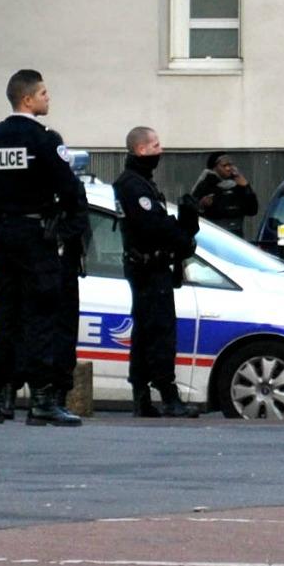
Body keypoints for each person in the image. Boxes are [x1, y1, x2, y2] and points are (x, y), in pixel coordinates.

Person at [0, 69, 87, 426]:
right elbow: (69, 189)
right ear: (27, 99)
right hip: (37, 237)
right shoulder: (44, 139)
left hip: (3, 236)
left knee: (5, 317)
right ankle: (41, 401)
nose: (47, 98)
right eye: (43, 93)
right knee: (42, 316)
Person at [114, 126, 201, 418]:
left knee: (146, 333)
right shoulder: (134, 186)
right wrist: (183, 237)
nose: (160, 150)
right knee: (160, 333)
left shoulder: (141, 182)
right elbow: (153, 226)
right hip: (148, 268)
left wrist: (185, 225)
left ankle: (143, 396)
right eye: (155, 145)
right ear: (140, 150)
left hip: (150, 266)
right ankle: (167, 396)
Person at [191, 153, 260, 235]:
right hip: (213, 233)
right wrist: (201, 205)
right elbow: (191, 210)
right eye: (224, 165)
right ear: (214, 167)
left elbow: (252, 210)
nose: (228, 168)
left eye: (230, 165)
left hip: (236, 232)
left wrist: (246, 187)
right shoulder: (206, 183)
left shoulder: (237, 183)